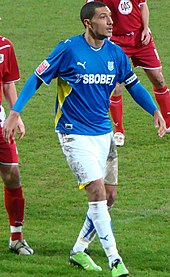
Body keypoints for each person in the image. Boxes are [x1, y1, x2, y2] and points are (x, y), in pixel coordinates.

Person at [2, 2, 166, 276]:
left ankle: (79, 250)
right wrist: (15, 112)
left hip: (104, 133)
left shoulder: (116, 53)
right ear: (88, 23)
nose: (111, 22)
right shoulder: (68, 49)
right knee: (97, 192)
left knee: (109, 195)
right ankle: (115, 260)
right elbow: (36, 79)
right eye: (104, 17)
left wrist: (154, 111)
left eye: (111, 16)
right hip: (73, 132)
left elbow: (134, 86)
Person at [87, 0, 170, 146]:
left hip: (140, 38)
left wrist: (145, 28)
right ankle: (119, 131)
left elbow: (143, 5)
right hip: (116, 41)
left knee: (158, 78)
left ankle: (168, 121)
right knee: (117, 86)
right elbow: (92, 14)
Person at [0, 36, 33, 254]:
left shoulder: (5, 45)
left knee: (12, 174)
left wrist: (16, 114)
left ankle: (16, 237)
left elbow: (8, 83)